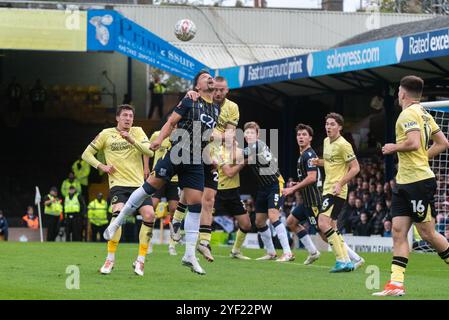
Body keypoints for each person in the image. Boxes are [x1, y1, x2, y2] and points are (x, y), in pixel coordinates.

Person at [103, 72, 220, 275]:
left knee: (195, 204)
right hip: (177, 152)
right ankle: (117, 222)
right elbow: (171, 121)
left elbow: (205, 136)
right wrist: (159, 140)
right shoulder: (190, 99)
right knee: (149, 188)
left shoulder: (216, 109)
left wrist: (210, 159)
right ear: (198, 86)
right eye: (205, 77)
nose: (210, 78)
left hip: (195, 160)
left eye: (212, 76)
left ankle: (189, 255)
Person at [374, 75, 449, 296]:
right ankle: (396, 284)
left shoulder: (408, 114)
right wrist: (422, 158)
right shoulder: (424, 114)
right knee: (398, 231)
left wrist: (392, 147)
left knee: (427, 233)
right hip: (404, 182)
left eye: (398, 91)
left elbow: (414, 142)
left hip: (418, 182)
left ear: (403, 93)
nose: (398, 95)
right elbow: (443, 143)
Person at [172, 75, 241, 262]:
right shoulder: (196, 98)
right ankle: (177, 220)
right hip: (194, 150)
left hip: (213, 153)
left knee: (209, 198)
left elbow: (230, 133)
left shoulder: (232, 108)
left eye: (222, 89)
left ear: (227, 90)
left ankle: (204, 241)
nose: (218, 91)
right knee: (191, 192)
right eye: (216, 88)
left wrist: (215, 137)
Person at [82, 104, 156, 276]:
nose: (128, 118)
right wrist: (102, 166)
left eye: (130, 116)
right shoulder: (106, 134)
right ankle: (110, 259)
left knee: (150, 215)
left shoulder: (138, 131)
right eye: (124, 115)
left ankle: (141, 260)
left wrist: (131, 139)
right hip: (119, 185)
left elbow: (150, 153)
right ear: (117, 118)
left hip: (138, 185)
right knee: (118, 213)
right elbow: (86, 154)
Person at [311, 113, 363, 272]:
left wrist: (340, 183)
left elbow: (355, 168)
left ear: (340, 127)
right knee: (333, 226)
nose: (328, 127)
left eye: (332, 124)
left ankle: (341, 260)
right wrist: (319, 162)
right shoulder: (326, 141)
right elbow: (331, 162)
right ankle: (347, 261)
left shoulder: (344, 144)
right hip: (328, 188)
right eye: (327, 124)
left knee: (322, 223)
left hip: (336, 191)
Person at [240, 121, 294, 262]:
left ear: (257, 135)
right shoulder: (252, 148)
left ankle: (288, 252)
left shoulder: (258, 145)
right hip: (263, 187)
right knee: (259, 221)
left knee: (273, 216)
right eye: (247, 132)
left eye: (252, 132)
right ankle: (271, 252)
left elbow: (238, 156)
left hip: (275, 184)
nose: (249, 135)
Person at [282, 124, 322, 265]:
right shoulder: (302, 155)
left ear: (310, 138)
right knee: (291, 222)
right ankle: (313, 252)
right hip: (305, 201)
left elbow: (312, 177)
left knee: (325, 233)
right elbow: (308, 177)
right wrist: (297, 183)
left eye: (304, 134)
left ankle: (352, 257)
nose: (301, 137)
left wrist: (293, 189)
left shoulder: (309, 154)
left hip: (313, 200)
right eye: (299, 135)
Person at [214, 129, 252, 260]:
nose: (233, 137)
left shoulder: (237, 149)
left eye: (234, 135)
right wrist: (244, 162)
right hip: (218, 192)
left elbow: (251, 153)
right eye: (230, 135)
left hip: (233, 192)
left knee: (246, 224)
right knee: (204, 221)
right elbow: (229, 173)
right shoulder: (218, 151)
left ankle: (235, 251)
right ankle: (195, 246)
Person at [148, 129, 180, 256]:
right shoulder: (157, 135)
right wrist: (146, 167)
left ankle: (172, 245)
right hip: (158, 176)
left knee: (174, 209)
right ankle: (148, 241)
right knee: (152, 206)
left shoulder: (183, 136)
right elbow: (147, 151)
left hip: (175, 179)